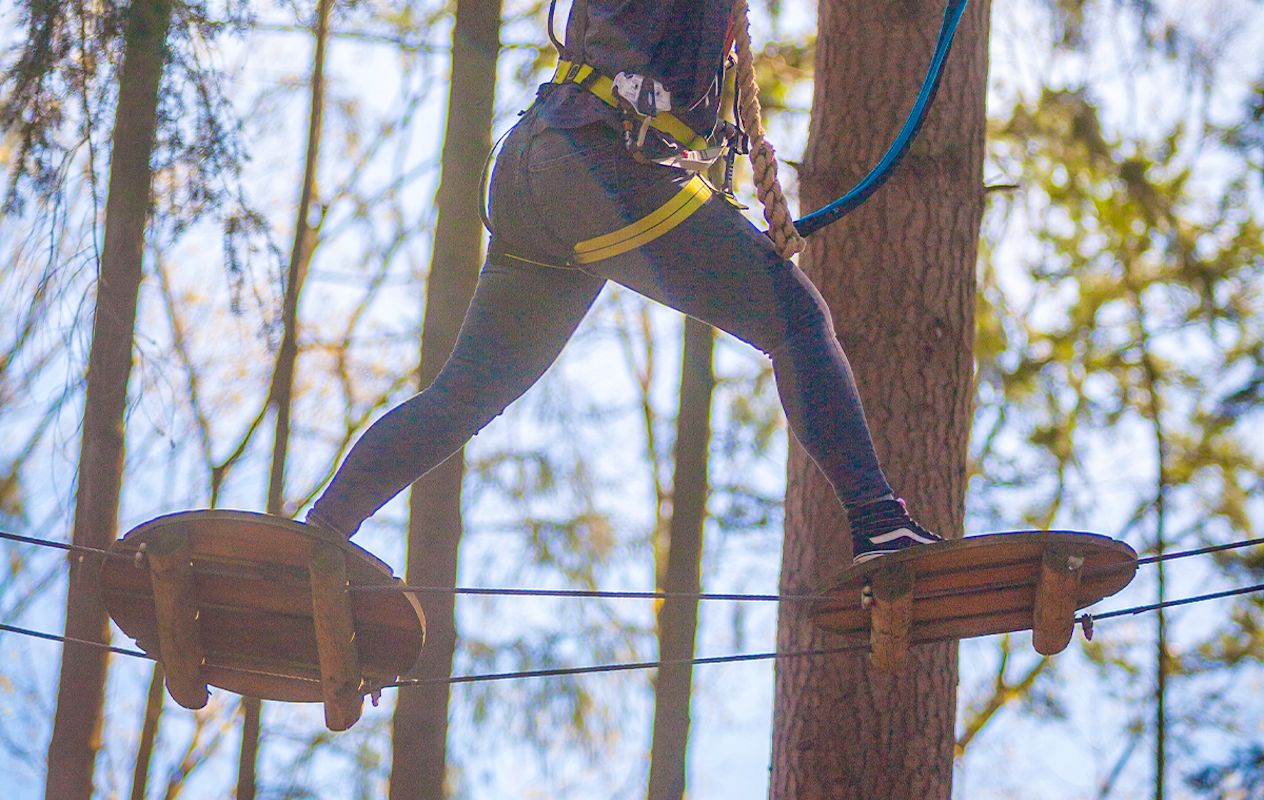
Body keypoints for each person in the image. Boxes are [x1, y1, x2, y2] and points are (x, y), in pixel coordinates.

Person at [305, 0, 940, 564]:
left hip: (542, 160)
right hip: (605, 163)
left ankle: (320, 537)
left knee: (461, 396)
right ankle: (878, 523)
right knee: (796, 322)